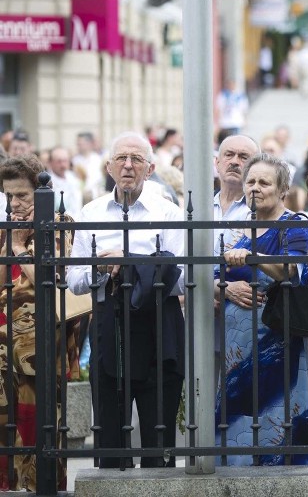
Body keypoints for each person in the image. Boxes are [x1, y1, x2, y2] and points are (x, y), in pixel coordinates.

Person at [67, 132, 185, 468]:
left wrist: (130, 263)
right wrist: (103, 270)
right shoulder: (91, 212)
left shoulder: (168, 214)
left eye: (136, 159)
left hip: (158, 323)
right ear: (109, 167)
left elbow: (184, 280)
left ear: (150, 170)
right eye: (121, 158)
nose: (128, 165)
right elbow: (74, 281)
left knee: (157, 432)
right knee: (110, 435)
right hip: (109, 321)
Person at [215, 154, 308, 465]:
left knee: (277, 420)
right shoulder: (237, 231)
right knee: (232, 424)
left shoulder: (295, 225)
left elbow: (291, 272)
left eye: (264, 182)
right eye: (250, 182)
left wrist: (252, 257)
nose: (255, 188)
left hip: (278, 344)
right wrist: (225, 286)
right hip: (234, 347)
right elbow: (213, 278)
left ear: (283, 189)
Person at [0, 155, 81, 491]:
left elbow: (52, 282)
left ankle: (41, 488)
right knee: (6, 428)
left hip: (42, 345)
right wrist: (10, 243)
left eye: (22, 195)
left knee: (40, 427)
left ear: (39, 191)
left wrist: (19, 249)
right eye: (8, 196)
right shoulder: (6, 226)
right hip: (4, 347)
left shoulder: (58, 223)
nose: (15, 203)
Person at [47, 146, 83, 219]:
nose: (63, 165)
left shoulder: (73, 178)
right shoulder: (47, 182)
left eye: (65, 161)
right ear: (51, 163)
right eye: (59, 161)